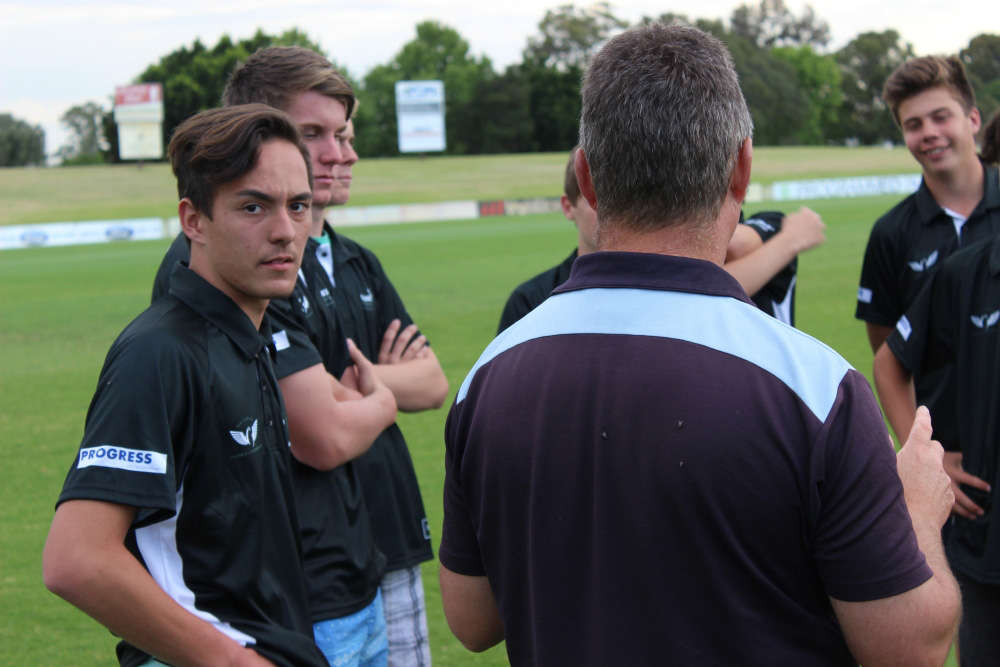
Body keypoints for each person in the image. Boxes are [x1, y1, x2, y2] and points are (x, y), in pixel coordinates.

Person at [439, 23, 960, 666]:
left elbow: (471, 619)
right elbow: (910, 648)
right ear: (742, 168)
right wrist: (918, 512)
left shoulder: (488, 377)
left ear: (587, 178)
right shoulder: (815, 389)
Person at [151, 46, 447, 667]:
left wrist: (357, 385)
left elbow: (434, 382)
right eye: (314, 134)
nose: (340, 153)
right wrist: (380, 395)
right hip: (300, 581)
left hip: (371, 548)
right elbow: (321, 433)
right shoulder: (239, 266)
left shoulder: (346, 257)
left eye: (344, 135)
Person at [42, 104, 329, 667]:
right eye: (254, 206)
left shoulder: (250, 336)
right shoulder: (160, 352)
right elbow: (76, 559)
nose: (285, 231)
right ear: (193, 220)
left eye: (298, 205)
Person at [497, 146, 825, 333]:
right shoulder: (531, 299)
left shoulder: (765, 226)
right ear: (571, 204)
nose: (611, 210)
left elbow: (715, 267)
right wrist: (792, 239)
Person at [856, 55, 1000, 450]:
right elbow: (889, 354)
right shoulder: (890, 233)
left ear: (973, 119)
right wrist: (925, 453)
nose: (930, 133)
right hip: (950, 461)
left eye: (941, 117)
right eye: (914, 124)